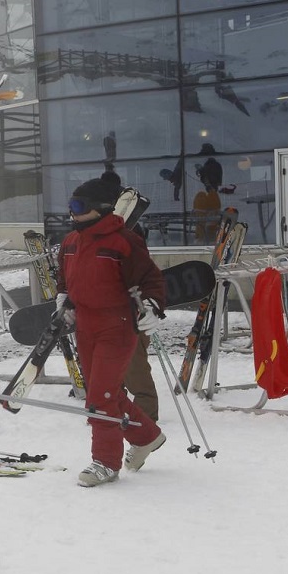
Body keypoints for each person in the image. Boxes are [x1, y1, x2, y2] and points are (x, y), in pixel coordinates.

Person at [55, 179, 167, 487]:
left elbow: (151, 280)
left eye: (78, 206)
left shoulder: (124, 242)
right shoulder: (70, 243)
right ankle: (146, 436)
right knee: (105, 393)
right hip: (85, 326)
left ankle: (105, 462)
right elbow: (64, 278)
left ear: (101, 209)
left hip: (116, 326)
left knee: (101, 396)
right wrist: (64, 298)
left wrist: (152, 307)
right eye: (70, 206)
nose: (72, 213)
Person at [97, 173, 160, 423]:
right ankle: (117, 411)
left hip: (128, 308)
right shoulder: (93, 233)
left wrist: (150, 305)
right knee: (113, 370)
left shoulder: (129, 235)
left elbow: (145, 273)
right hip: (105, 312)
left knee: (134, 367)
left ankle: (144, 421)